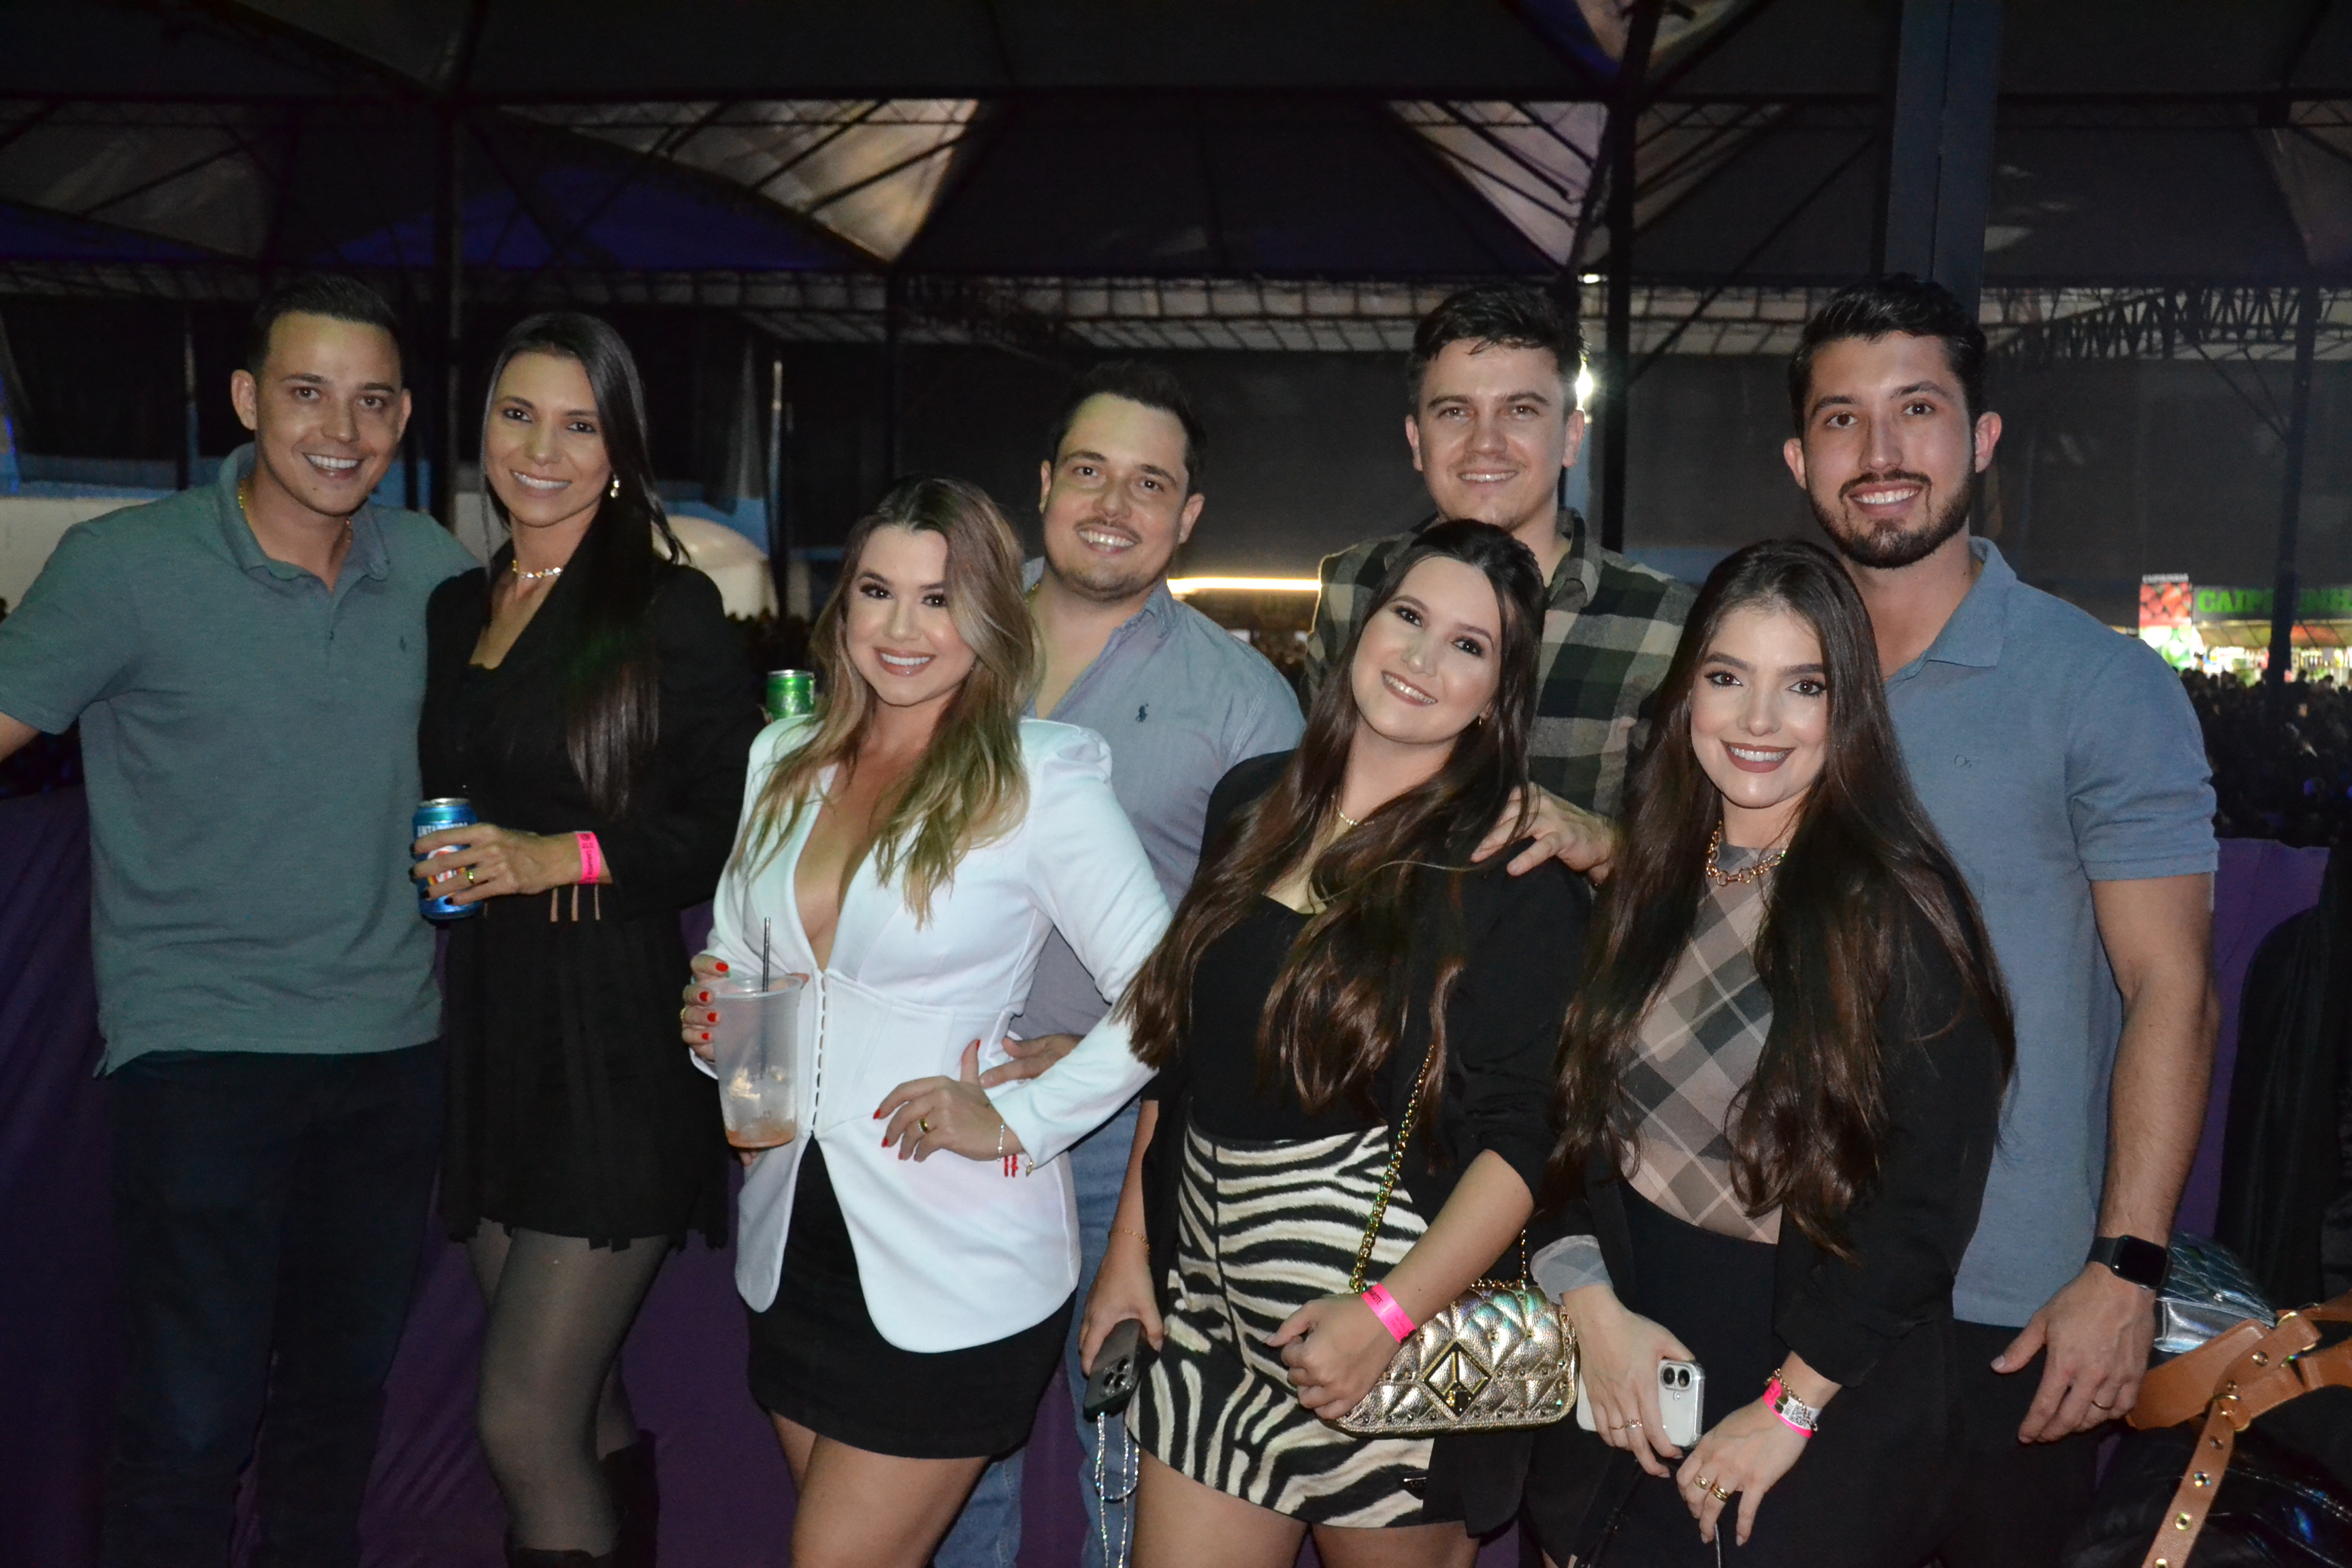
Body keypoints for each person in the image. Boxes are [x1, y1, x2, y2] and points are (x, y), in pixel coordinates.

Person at [0, 275, 476, 1567]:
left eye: (372, 400)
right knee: (190, 1418)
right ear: (248, 399)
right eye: (309, 393)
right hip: (200, 1051)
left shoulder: (437, 570)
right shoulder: (125, 567)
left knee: (337, 1414)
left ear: (404, 416)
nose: (342, 429)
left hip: (390, 1050)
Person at [1780, 275, 2219, 1563]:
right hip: (1787, 1283)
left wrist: (2124, 1268)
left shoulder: (2096, 684)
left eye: (1916, 409)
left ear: (1980, 438)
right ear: (1801, 461)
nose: (1880, 451)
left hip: (2010, 1303)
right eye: (1843, 419)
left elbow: (2172, 989)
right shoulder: (1765, 685)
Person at [679, 476, 1173, 1567]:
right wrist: (720, 1033)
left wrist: (1025, 1118)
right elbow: (743, 959)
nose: (902, 629)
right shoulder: (782, 757)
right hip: (790, 1237)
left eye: (939, 599)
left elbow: (1172, 989)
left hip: (956, 1255)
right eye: (877, 591)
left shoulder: (1040, 776)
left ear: (988, 615)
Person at [1088, 519, 1587, 1567]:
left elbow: (1522, 1141)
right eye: (1409, 617)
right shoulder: (1251, 800)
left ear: (1497, 693)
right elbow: (1182, 1056)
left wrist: (1387, 1319)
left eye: (1468, 645)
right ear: (1364, 623)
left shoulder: (1510, 871)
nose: (1422, 658)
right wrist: (1130, 1254)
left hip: (1385, 1344)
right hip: (1206, 1322)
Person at [1524, 539, 2014, 1565]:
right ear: (1685, 694)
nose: (1758, 720)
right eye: (1726, 678)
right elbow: (1559, 1126)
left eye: (1803, 686)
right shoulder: (1648, 877)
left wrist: (1789, 1408)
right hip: (1620, 1362)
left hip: (1812, 1387)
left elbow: (1922, 1212)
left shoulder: (1898, 911)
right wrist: (1591, 1310)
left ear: (1850, 708)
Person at [936, 361, 1303, 1568]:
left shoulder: (1245, 702)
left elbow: (1261, 956)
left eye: (1150, 483)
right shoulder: (943, 642)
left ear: (1188, 516)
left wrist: (1113, 1055)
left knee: (1124, 1453)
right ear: (1044, 484)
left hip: (1125, 1143)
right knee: (952, 1454)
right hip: (937, 1111)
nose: (1113, 502)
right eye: (1089, 470)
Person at [412, 313, 761, 1568]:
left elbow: (730, 819)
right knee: (579, 1401)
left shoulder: (668, 607)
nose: (543, 450)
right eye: (519, 415)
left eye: (579, 424)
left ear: (619, 452)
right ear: (483, 431)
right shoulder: (455, 606)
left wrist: (563, 854)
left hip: (612, 1042)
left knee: (521, 1420)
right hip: (493, 1028)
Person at [1302, 282, 1694, 877]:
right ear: (1416, 441)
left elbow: (1699, 854)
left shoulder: (1661, 623)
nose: (1485, 443)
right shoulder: (1356, 584)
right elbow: (1311, 782)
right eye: (1455, 412)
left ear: (1571, 436)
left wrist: (1604, 843)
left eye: (1520, 411)